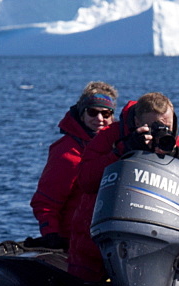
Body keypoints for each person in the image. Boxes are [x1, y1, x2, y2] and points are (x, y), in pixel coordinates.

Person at [67, 92, 179, 281]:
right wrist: (123, 150)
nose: (160, 130)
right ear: (136, 121)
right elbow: (86, 180)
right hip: (98, 241)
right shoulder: (110, 137)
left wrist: (176, 157)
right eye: (153, 126)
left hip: (153, 238)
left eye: (166, 125)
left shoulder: (177, 145)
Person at [28, 81, 117, 250]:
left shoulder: (118, 148)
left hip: (106, 237)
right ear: (82, 114)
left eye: (106, 114)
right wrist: (51, 235)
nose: (99, 119)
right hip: (74, 240)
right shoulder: (67, 153)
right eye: (93, 112)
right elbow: (45, 202)